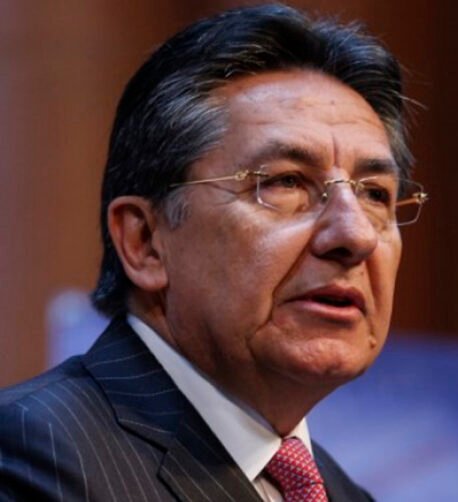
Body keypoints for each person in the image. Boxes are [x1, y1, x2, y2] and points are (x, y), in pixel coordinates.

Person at [0, 4, 427, 500]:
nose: (355, 235)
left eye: (374, 193)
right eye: (286, 183)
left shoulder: (344, 494)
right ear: (145, 242)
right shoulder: (35, 455)